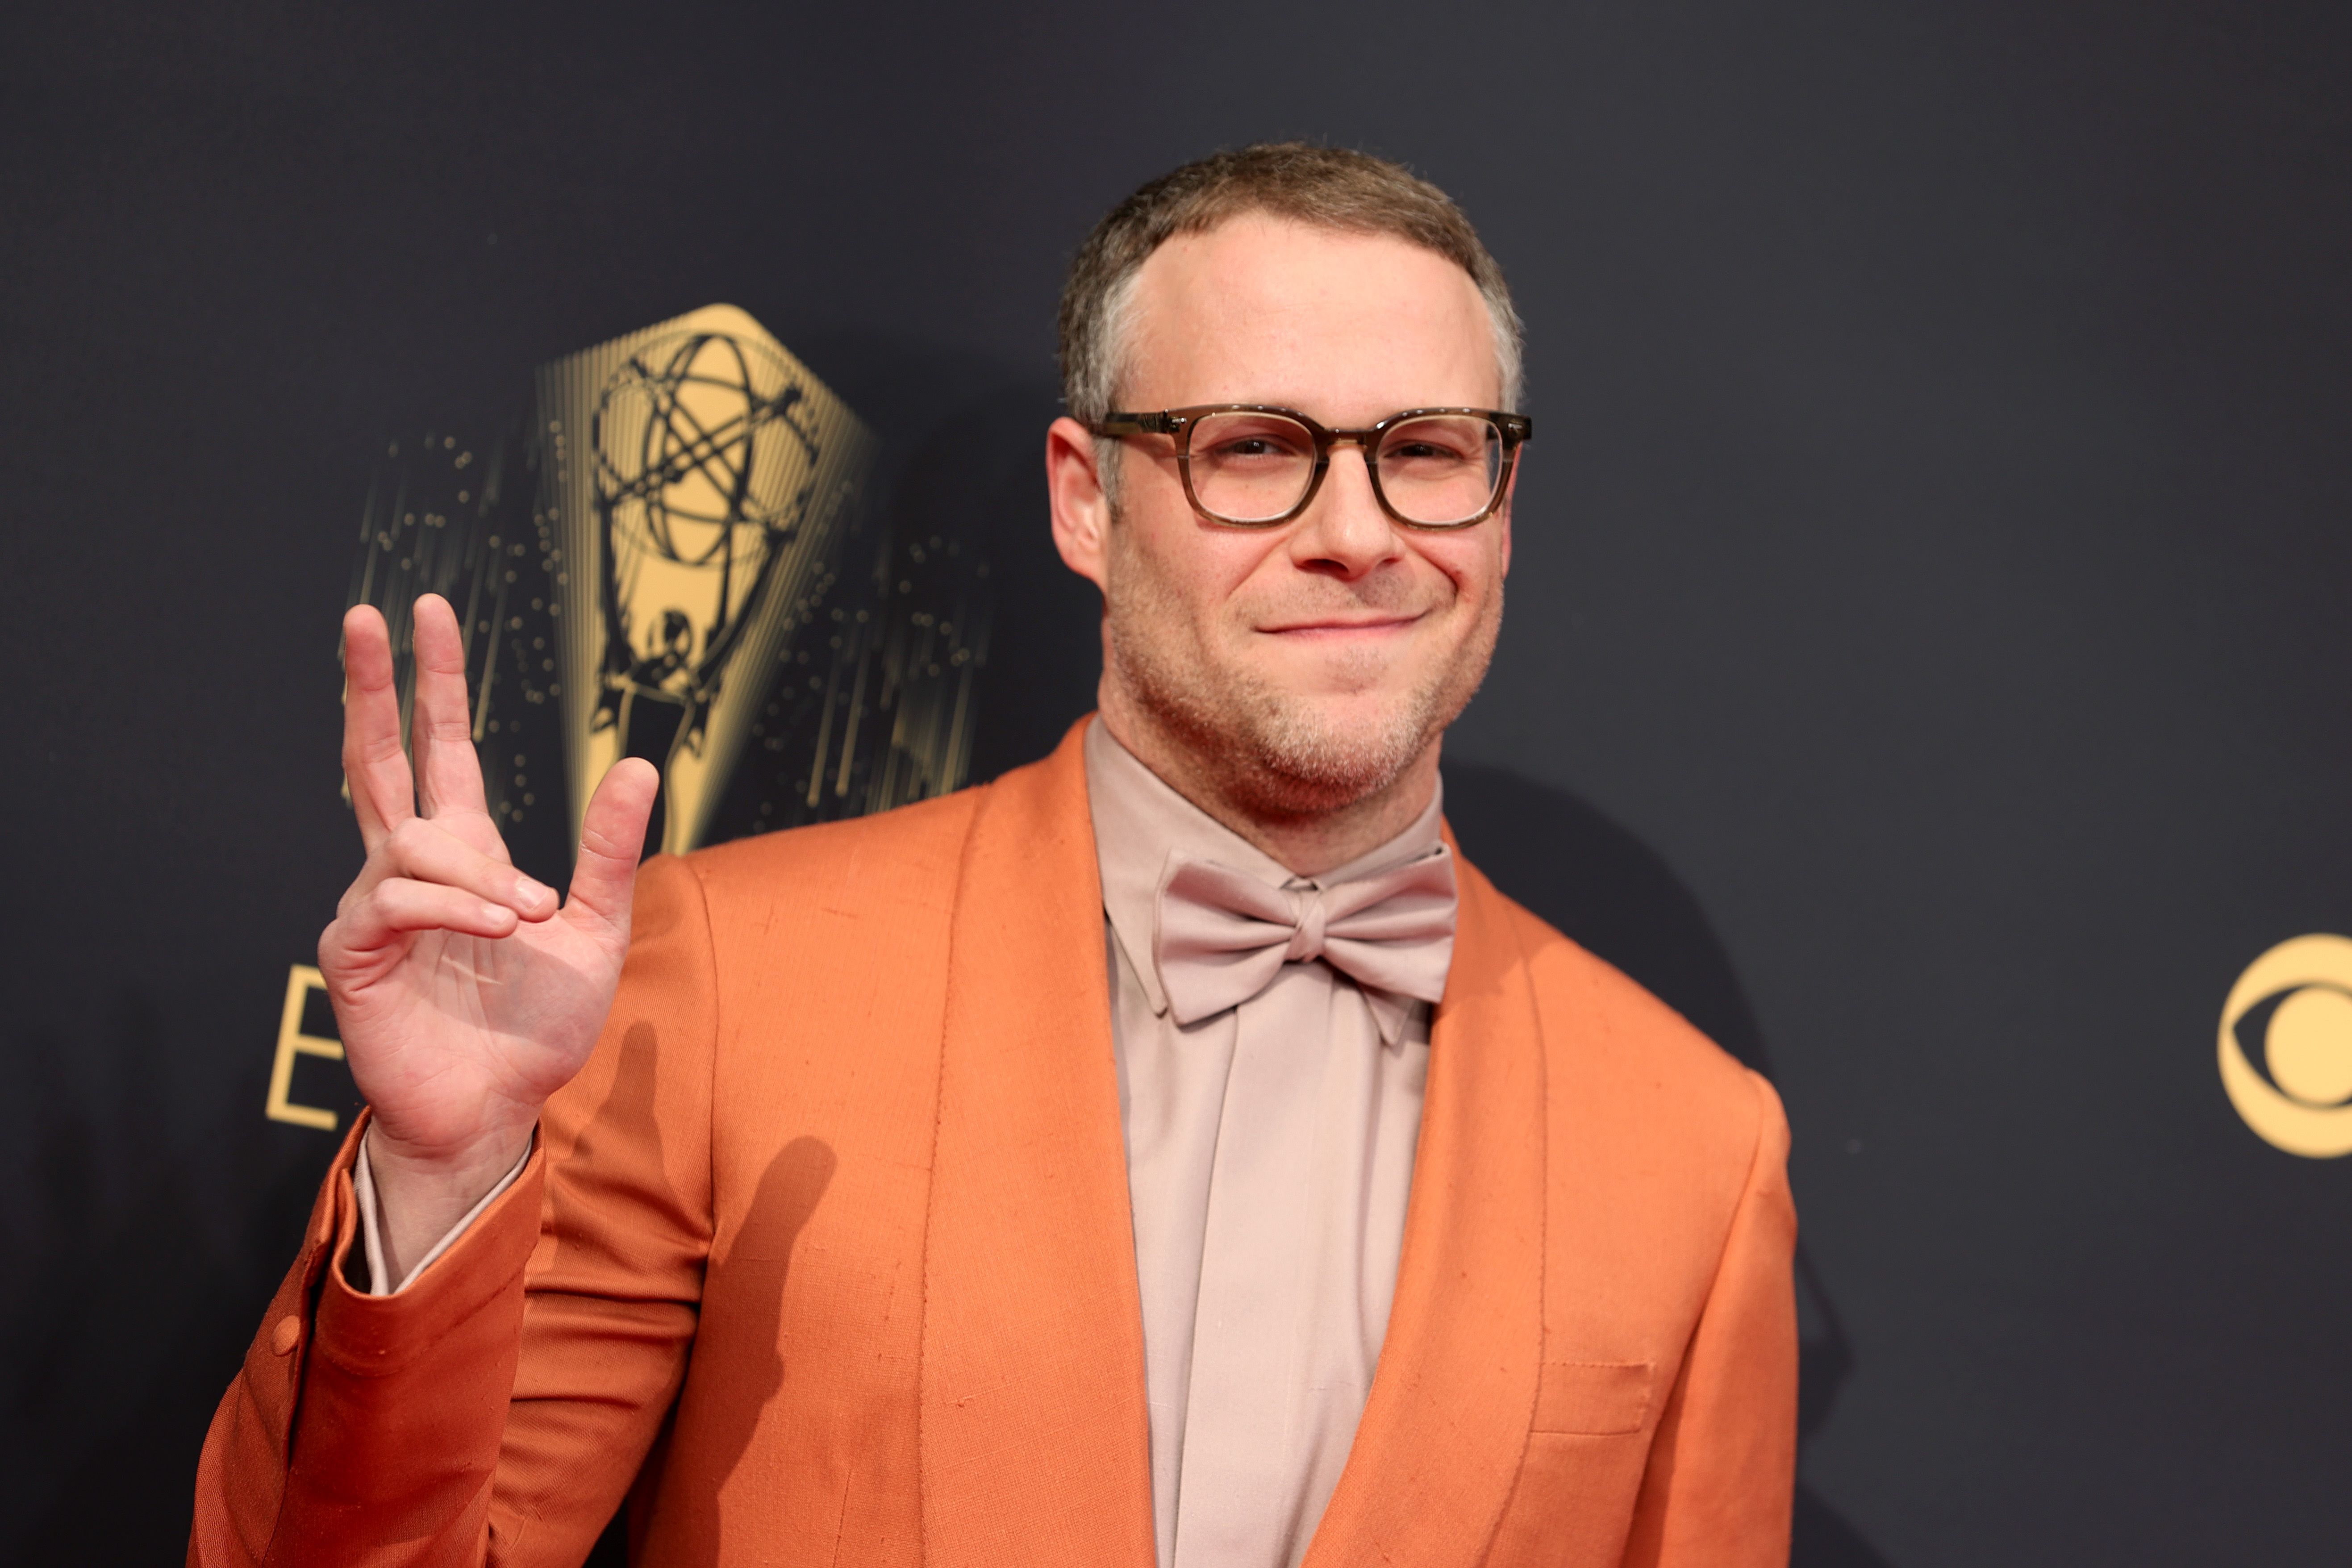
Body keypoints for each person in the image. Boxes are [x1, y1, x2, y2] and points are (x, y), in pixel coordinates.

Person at [191, 143, 1795, 1568]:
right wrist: (446, 1179)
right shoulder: (733, 978)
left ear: (1502, 502)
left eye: (1429, 450)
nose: (1359, 531)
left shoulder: (1695, 1154)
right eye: (1253, 448)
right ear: (1086, 502)